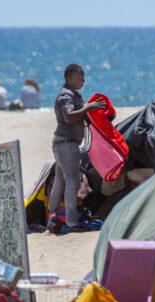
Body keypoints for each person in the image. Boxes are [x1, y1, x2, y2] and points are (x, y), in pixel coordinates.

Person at [48, 64, 105, 232]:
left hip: (62, 143)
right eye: (81, 77)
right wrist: (88, 108)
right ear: (69, 78)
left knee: (59, 181)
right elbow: (69, 116)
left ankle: (51, 218)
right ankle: (72, 223)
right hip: (67, 144)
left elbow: (79, 116)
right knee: (72, 182)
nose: (84, 81)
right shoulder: (66, 95)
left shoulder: (73, 94)